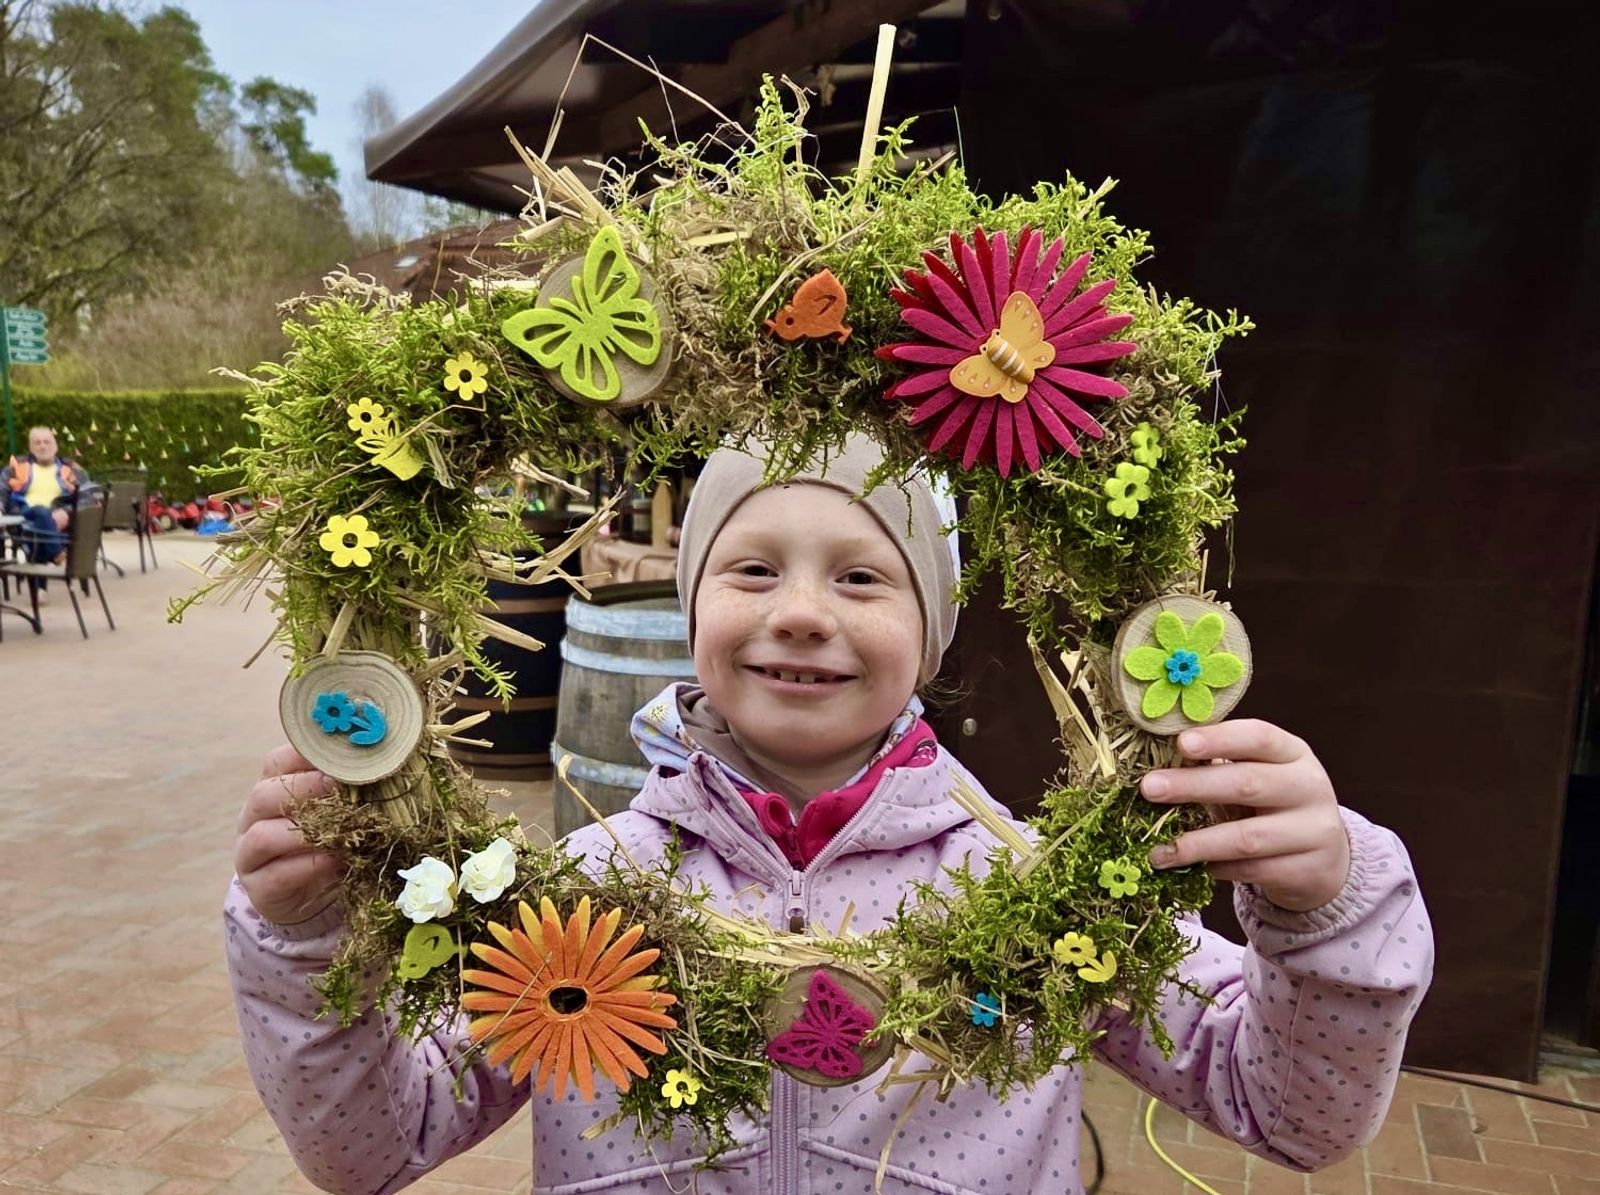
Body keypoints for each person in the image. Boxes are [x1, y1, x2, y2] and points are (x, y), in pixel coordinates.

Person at [227, 434, 1433, 1195]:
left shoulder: (1040, 897)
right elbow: (374, 1150)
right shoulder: (577, 903)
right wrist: (300, 949)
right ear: (693, 604)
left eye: (861, 576)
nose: (802, 611)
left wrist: (1330, 911)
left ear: (936, 631)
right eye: (751, 568)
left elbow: (1289, 1112)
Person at [3, 425, 91, 567]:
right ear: (31, 448)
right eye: (37, 443)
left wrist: (68, 512)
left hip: (57, 522)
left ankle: (39, 585)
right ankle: (58, 555)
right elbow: (1, 489)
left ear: (55, 446)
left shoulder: (72, 470)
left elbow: (89, 497)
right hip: (23, 516)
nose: (43, 446)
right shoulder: (16, 468)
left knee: (38, 532)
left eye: (47, 442)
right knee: (40, 510)